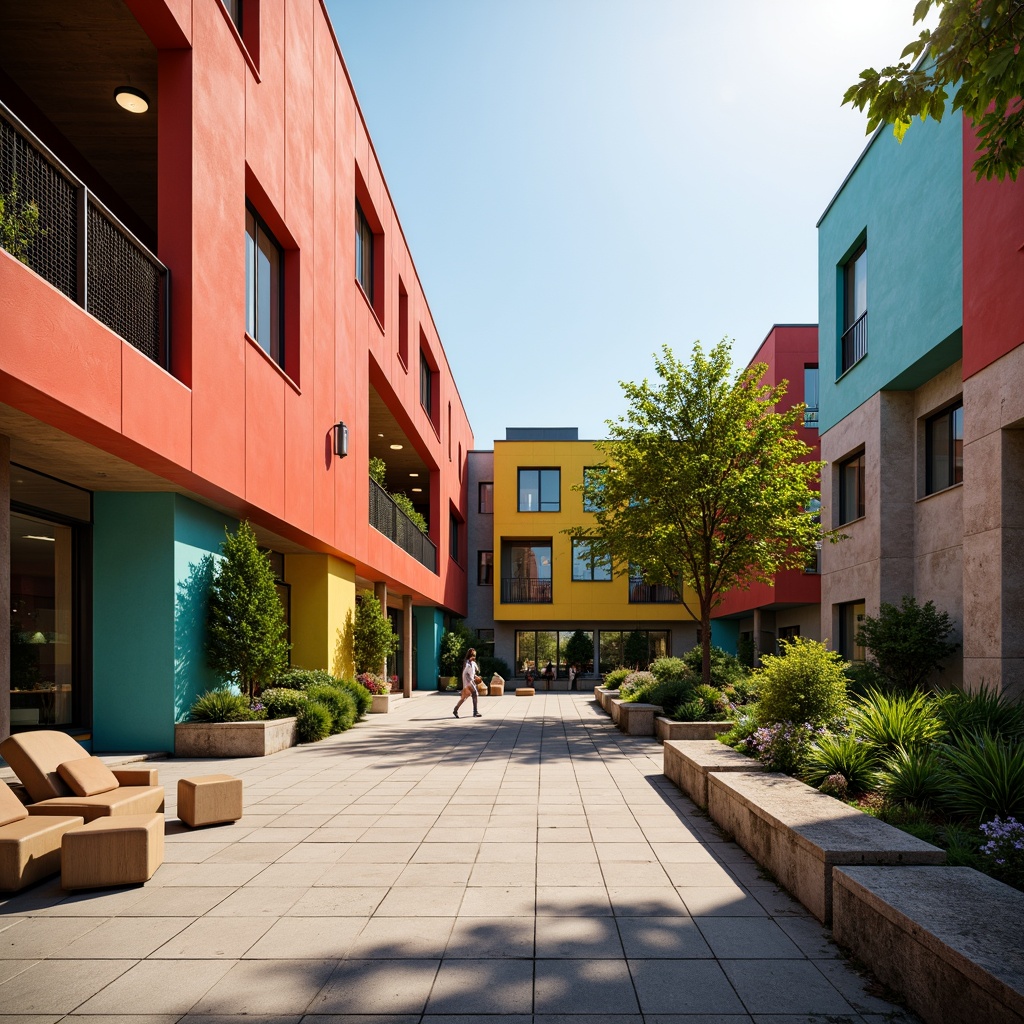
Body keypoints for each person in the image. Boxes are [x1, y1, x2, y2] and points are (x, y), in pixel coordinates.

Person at [453, 647, 483, 718]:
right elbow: (465, 672)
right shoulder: (466, 662)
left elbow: (472, 673)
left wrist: (476, 677)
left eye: (474, 655)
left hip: (470, 681)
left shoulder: (473, 663)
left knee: (464, 698)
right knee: (475, 693)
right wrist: (469, 661)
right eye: (473, 655)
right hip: (467, 682)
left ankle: (455, 710)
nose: (474, 657)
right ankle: (475, 712)